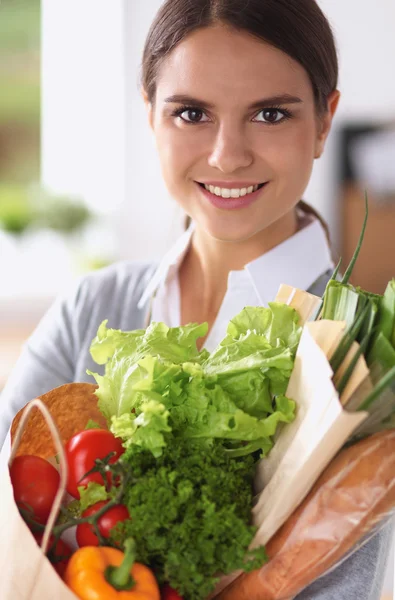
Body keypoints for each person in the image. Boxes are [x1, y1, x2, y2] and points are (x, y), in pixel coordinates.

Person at [0, 0, 393, 597]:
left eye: (269, 113)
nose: (227, 155)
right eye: (191, 113)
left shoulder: (362, 367)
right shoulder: (92, 306)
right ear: (150, 114)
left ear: (322, 121)